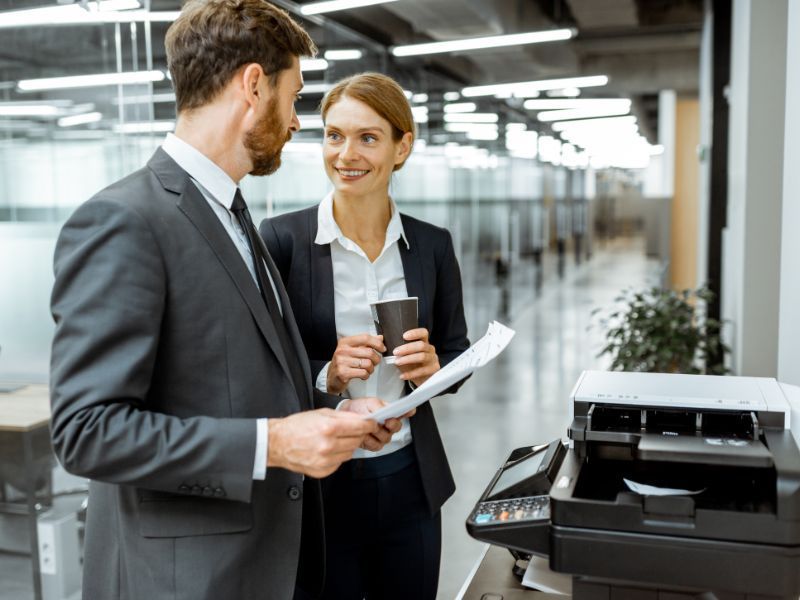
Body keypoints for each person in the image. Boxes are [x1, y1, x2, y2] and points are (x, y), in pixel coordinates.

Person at [48, 5, 405, 600]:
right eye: (292, 98)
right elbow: (88, 432)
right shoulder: (125, 220)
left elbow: (241, 380)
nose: (295, 122)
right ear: (253, 85)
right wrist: (274, 444)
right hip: (188, 579)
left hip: (267, 564)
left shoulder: (236, 215)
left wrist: (327, 415)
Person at [260, 72, 470, 600]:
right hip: (320, 485)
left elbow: (457, 351)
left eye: (368, 137)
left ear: (403, 147)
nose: (346, 154)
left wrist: (436, 370)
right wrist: (325, 374)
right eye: (334, 135)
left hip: (410, 479)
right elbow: (261, 369)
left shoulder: (432, 245)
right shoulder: (283, 240)